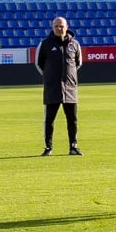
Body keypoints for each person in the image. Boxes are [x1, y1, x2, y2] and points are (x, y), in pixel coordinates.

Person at [36, 17, 82, 156]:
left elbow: (77, 63)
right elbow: (39, 64)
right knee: (49, 120)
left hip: (70, 89)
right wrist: (50, 78)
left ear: (66, 27)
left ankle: (73, 146)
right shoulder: (45, 44)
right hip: (52, 89)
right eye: (56, 26)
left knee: (72, 120)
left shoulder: (74, 44)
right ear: (52, 27)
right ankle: (48, 147)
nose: (59, 28)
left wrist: (69, 78)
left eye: (61, 26)